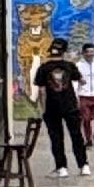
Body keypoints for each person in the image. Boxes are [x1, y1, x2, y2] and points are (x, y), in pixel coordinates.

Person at [33, 43, 86, 176]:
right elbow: (82, 80)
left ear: (50, 52)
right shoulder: (69, 66)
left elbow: (41, 90)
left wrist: (42, 108)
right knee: (76, 136)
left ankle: (61, 167)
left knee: (56, 137)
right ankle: (83, 165)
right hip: (70, 105)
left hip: (52, 107)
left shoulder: (44, 68)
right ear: (64, 52)